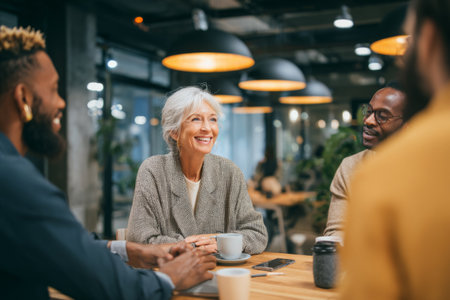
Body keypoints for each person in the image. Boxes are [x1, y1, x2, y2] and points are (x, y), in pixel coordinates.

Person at [0, 26, 215, 299]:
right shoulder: (13, 182)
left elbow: (67, 246)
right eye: (54, 89)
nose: (62, 102)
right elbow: (108, 288)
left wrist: (131, 251)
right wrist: (168, 278)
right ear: (23, 98)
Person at [340, 0, 450, 298]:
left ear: (427, 41)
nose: (370, 121)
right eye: (369, 111)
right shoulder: (357, 167)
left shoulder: (389, 174)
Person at [126, 86, 268, 254]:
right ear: (174, 131)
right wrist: (200, 245)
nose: (207, 128)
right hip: (170, 275)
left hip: (223, 275)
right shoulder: (154, 171)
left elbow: (257, 234)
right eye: (196, 119)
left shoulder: (229, 172)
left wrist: (218, 243)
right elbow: (139, 240)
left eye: (213, 119)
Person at [324, 83, 406, 238]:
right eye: (368, 112)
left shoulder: (430, 169)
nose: (368, 120)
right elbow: (336, 234)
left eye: (382, 116)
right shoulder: (350, 167)